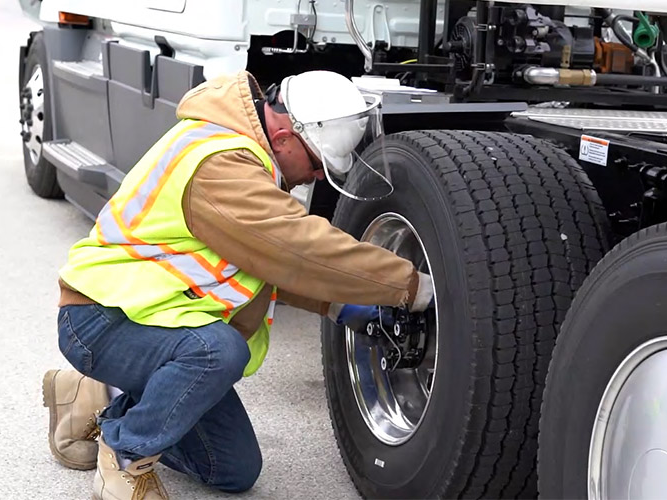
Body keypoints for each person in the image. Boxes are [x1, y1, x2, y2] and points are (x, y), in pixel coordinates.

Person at [42, 70, 433, 499]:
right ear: (284, 135)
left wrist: (337, 306)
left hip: (151, 320)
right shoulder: (221, 165)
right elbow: (296, 248)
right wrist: (410, 285)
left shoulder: (240, 154)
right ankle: (126, 456)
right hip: (101, 317)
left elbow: (259, 261)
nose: (318, 176)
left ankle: (98, 394)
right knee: (218, 352)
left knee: (232, 469)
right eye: (317, 162)